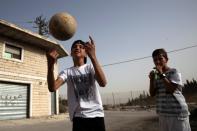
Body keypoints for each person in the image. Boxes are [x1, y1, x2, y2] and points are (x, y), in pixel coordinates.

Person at [47, 36, 107, 131]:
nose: (77, 47)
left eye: (81, 47)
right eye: (74, 46)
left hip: (96, 115)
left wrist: (93, 56)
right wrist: (50, 66)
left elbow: (103, 83)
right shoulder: (67, 72)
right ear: (71, 53)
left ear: (86, 53)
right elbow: (52, 87)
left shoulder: (90, 68)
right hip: (79, 117)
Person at [149, 48, 191, 131]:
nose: (157, 62)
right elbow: (152, 94)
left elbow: (171, 89)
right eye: (155, 60)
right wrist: (151, 79)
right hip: (163, 113)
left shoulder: (174, 72)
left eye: (160, 59)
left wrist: (161, 74)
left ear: (166, 59)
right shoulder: (157, 76)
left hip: (177, 114)